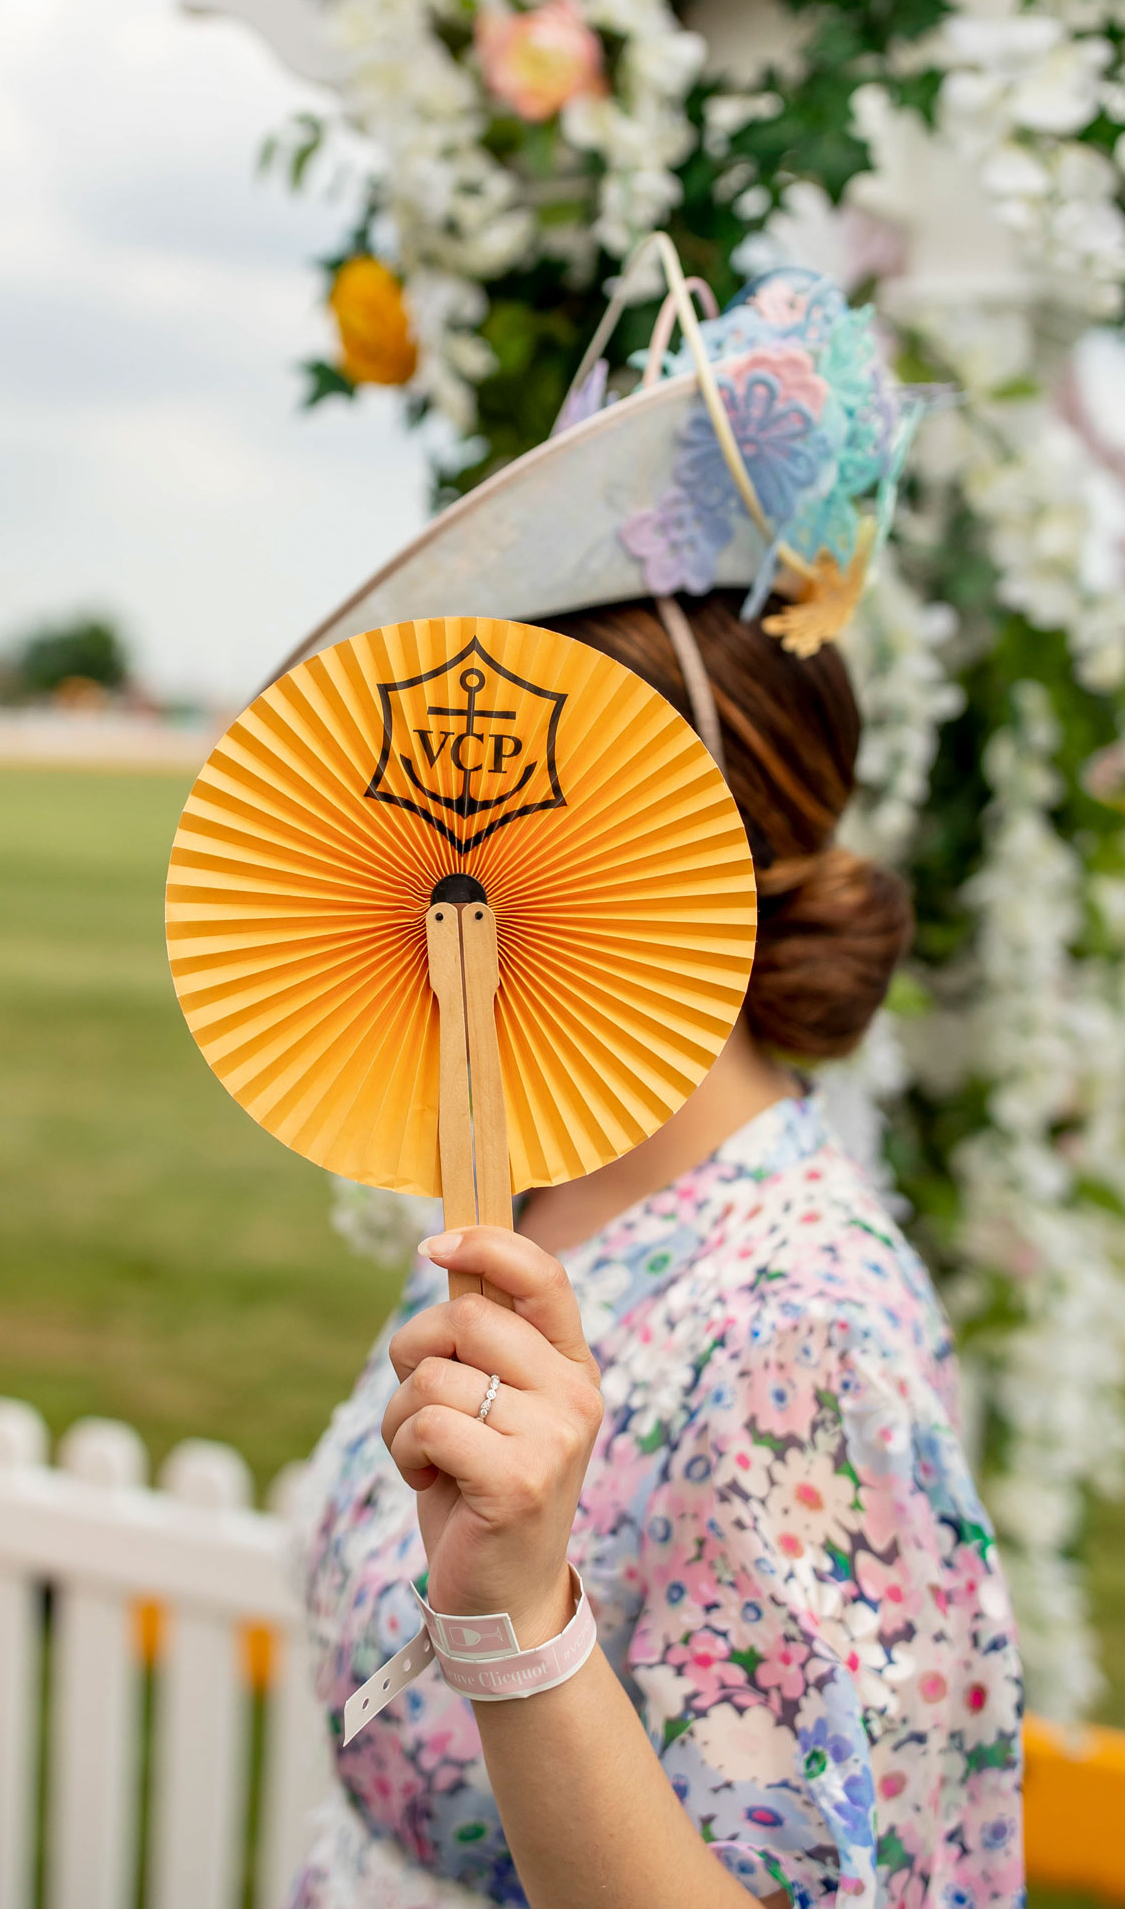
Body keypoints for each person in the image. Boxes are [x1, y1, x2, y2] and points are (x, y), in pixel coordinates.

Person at [285, 250, 1023, 1909]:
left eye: (482, 774)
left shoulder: (801, 1329)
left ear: (635, 836)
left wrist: (526, 1622)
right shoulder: (536, 1183)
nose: (423, 836)